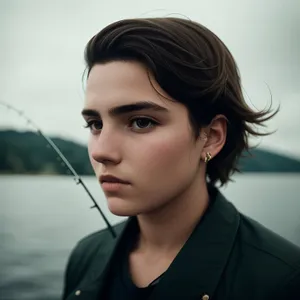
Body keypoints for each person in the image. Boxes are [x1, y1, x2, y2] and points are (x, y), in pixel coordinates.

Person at [62, 17, 300, 300]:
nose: (101, 151)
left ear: (211, 136)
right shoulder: (85, 255)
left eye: (141, 122)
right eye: (95, 124)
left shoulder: (282, 279)